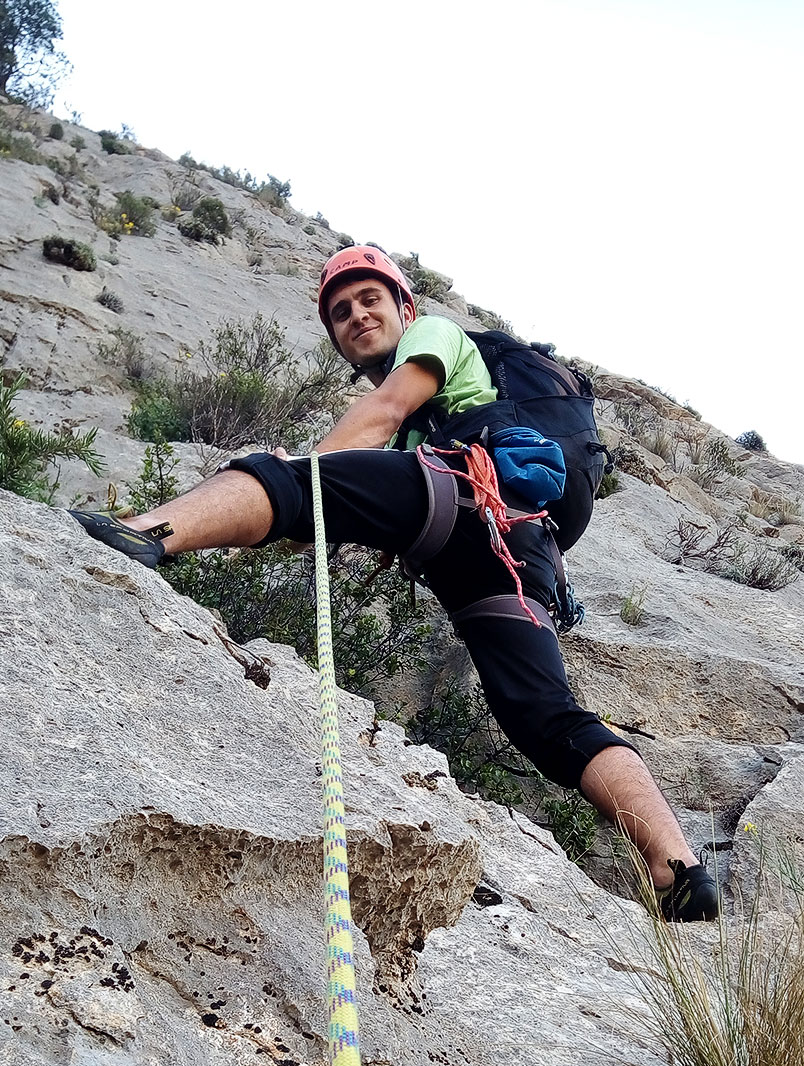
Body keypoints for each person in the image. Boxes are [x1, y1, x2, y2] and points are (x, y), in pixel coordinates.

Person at [71, 246, 718, 921]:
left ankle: (143, 532)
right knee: (547, 718)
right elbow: (326, 511)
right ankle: (679, 870)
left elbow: (378, 416)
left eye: (369, 300)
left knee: (284, 473)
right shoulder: (432, 416)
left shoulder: (435, 336)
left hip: (465, 495)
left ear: (405, 307)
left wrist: (290, 474)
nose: (356, 316)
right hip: (517, 550)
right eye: (340, 312)